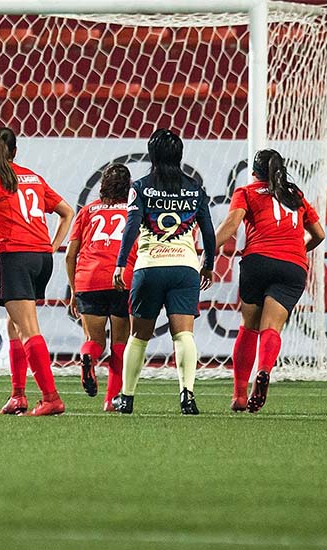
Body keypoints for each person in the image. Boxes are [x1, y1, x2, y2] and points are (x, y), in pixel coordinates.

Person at [110, 129, 215, 415]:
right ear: (179, 155)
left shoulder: (141, 186)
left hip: (150, 268)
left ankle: (127, 398)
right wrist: (209, 264)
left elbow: (131, 227)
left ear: (152, 155)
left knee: (138, 336)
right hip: (184, 268)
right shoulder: (195, 188)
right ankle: (187, 396)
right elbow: (208, 231)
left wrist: (121, 264)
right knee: (183, 336)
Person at [0, 126, 75, 416]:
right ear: (15, 152)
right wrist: (52, 246)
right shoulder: (34, 178)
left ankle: (51, 397)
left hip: (15, 256)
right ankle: (18, 395)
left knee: (28, 328)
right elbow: (67, 212)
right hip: (42, 259)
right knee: (13, 324)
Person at [213, 149, 325, 413]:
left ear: (254, 172)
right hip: (293, 266)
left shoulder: (247, 192)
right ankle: (263, 371)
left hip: (258, 262)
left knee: (248, 326)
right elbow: (319, 234)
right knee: (271, 327)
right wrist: (297, 251)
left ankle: (239, 395)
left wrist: (208, 251)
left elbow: (231, 225)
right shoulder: (295, 194)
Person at [65, 164, 137, 411]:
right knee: (120, 343)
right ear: (128, 187)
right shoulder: (134, 211)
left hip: (88, 279)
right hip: (121, 278)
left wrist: (74, 290)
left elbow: (70, 255)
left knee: (94, 340)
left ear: (102, 185)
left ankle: (88, 357)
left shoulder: (87, 211)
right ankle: (111, 401)